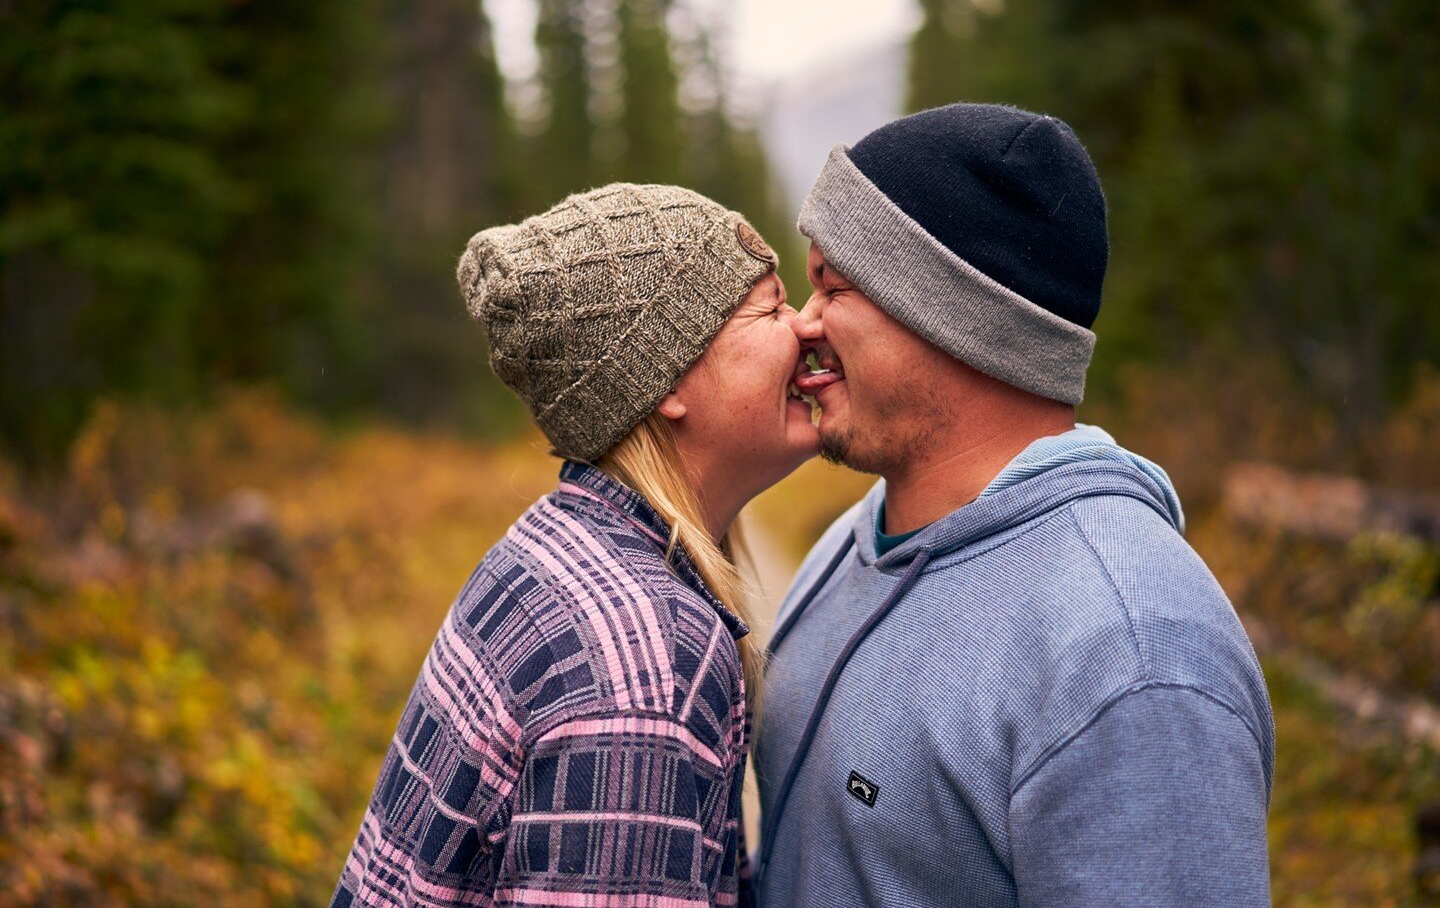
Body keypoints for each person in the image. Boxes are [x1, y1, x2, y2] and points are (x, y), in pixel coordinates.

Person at [757, 103, 1274, 907]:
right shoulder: (847, 548)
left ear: (952, 317)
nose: (802, 324)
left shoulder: (1133, 652)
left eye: (833, 286)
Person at [331, 184, 815, 907]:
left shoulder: (561, 546)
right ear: (669, 375)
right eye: (772, 306)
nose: (807, 326)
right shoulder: (648, 656)